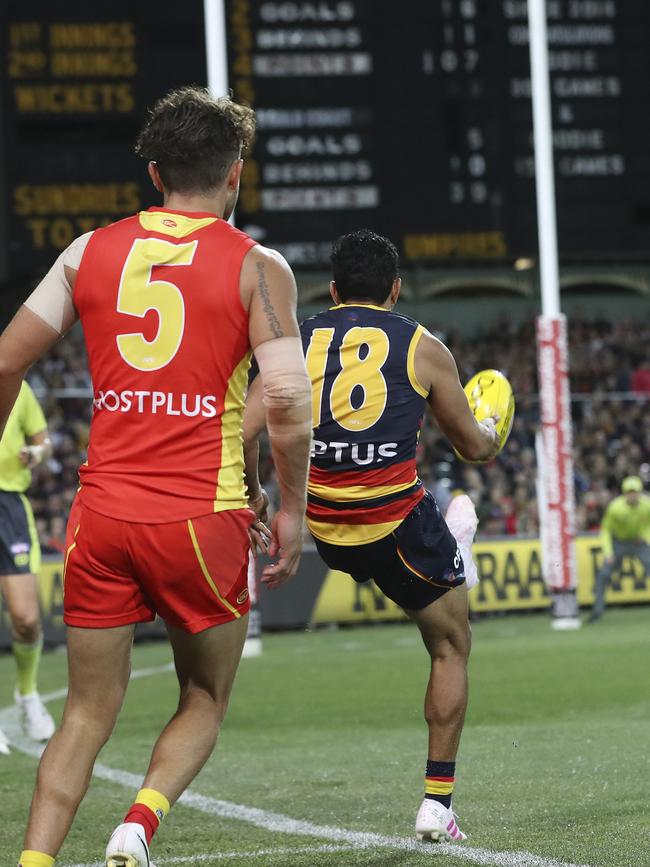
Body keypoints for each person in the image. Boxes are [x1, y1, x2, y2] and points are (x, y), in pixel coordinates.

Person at [0, 85, 311, 867]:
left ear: (153, 172)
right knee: (203, 696)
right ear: (235, 173)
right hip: (199, 517)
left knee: (84, 712)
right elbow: (285, 396)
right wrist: (294, 510)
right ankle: (138, 823)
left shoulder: (87, 251)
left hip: (101, 517)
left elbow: (7, 358)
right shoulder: (256, 266)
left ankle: (33, 861)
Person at [243, 230, 500, 844]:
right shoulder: (422, 345)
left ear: (330, 291)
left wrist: (260, 497)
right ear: (395, 288)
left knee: (427, 559)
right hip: (397, 527)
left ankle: (454, 543)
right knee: (450, 647)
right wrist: (495, 427)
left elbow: (244, 427)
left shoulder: (290, 341)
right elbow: (473, 447)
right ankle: (437, 805)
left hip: (326, 526)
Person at [0, 381, 55, 753]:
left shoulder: (17, 387)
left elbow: (44, 442)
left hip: (9, 508)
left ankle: (28, 693)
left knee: (26, 618)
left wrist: (35, 453)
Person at [588, 475, 650, 623]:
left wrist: (645, 537)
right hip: (618, 543)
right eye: (629, 492)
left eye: (635, 492)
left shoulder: (646, 505)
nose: (632, 495)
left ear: (640, 492)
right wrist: (608, 552)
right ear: (624, 493)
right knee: (604, 575)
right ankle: (597, 612)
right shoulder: (615, 507)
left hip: (638, 542)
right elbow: (606, 531)